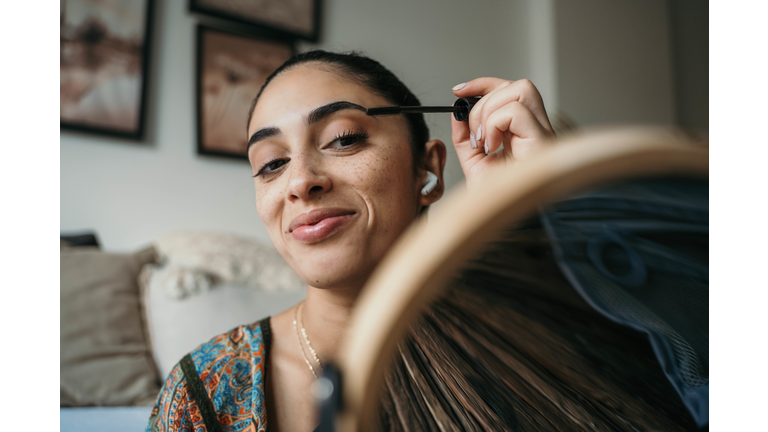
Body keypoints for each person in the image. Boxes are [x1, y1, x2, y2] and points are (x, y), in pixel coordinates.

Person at [145, 50, 556, 432]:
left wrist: (538, 216)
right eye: (272, 164)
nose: (301, 182)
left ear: (428, 170)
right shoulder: (202, 392)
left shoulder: (531, 344)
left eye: (343, 139)